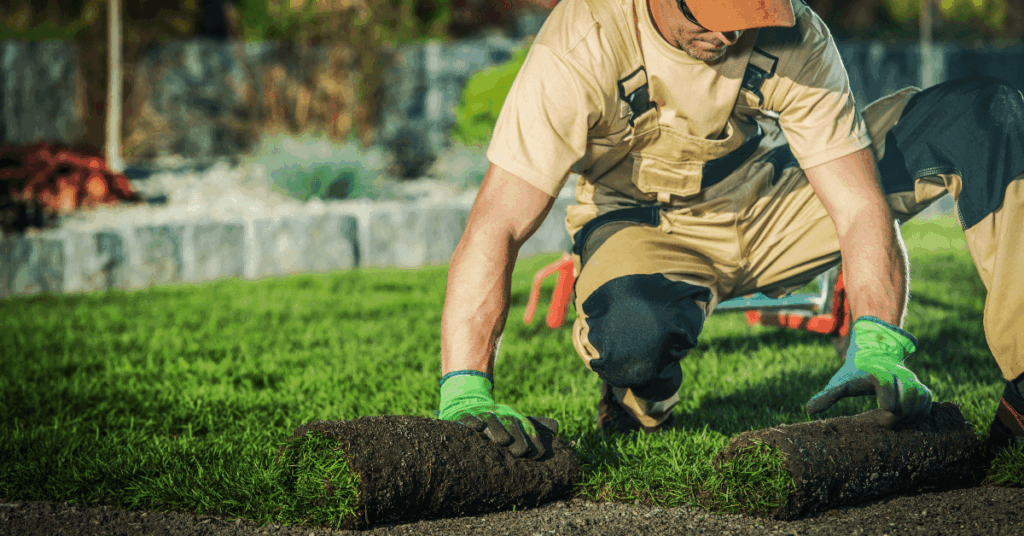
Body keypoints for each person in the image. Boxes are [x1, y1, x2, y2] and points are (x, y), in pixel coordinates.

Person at [435, 0, 1024, 459]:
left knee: (983, 114)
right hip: (642, 222)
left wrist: (876, 340)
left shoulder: (798, 33)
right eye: (712, 16)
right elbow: (499, 224)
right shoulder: (581, 40)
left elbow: (857, 207)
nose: (729, 36)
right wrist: (465, 385)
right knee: (634, 337)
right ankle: (643, 396)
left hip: (767, 198)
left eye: (747, 17)